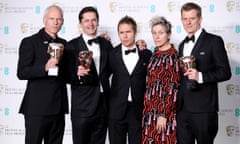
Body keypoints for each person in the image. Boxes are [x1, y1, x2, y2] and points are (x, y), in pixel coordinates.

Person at [176, 2, 232, 144]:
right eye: (184, 18)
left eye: (192, 18)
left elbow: (225, 72)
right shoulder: (182, 45)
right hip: (182, 110)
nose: (188, 22)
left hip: (204, 110)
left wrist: (200, 76)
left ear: (200, 19)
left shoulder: (214, 41)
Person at [16, 5, 68, 144]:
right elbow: (22, 72)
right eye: (52, 19)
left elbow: (67, 74)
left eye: (59, 19)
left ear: (62, 22)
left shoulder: (64, 44)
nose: (55, 22)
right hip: (36, 109)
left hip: (58, 108)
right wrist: (44, 68)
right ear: (45, 20)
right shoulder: (30, 42)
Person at [65, 6, 112, 144]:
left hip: (103, 105)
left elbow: (112, 67)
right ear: (80, 24)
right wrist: (76, 74)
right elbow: (63, 75)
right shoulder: (71, 46)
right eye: (87, 21)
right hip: (82, 106)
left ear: (97, 22)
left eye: (93, 20)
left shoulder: (106, 44)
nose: (90, 24)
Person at [108, 15, 152, 144]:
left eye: (128, 32)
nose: (125, 36)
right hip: (116, 110)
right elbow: (102, 77)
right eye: (121, 32)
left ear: (135, 32)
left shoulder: (146, 54)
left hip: (138, 110)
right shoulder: (112, 54)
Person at [141, 16, 180, 144]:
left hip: (163, 113)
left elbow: (173, 87)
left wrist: (164, 114)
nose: (157, 36)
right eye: (154, 33)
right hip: (149, 112)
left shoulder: (173, 56)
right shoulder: (155, 54)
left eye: (161, 33)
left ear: (168, 34)